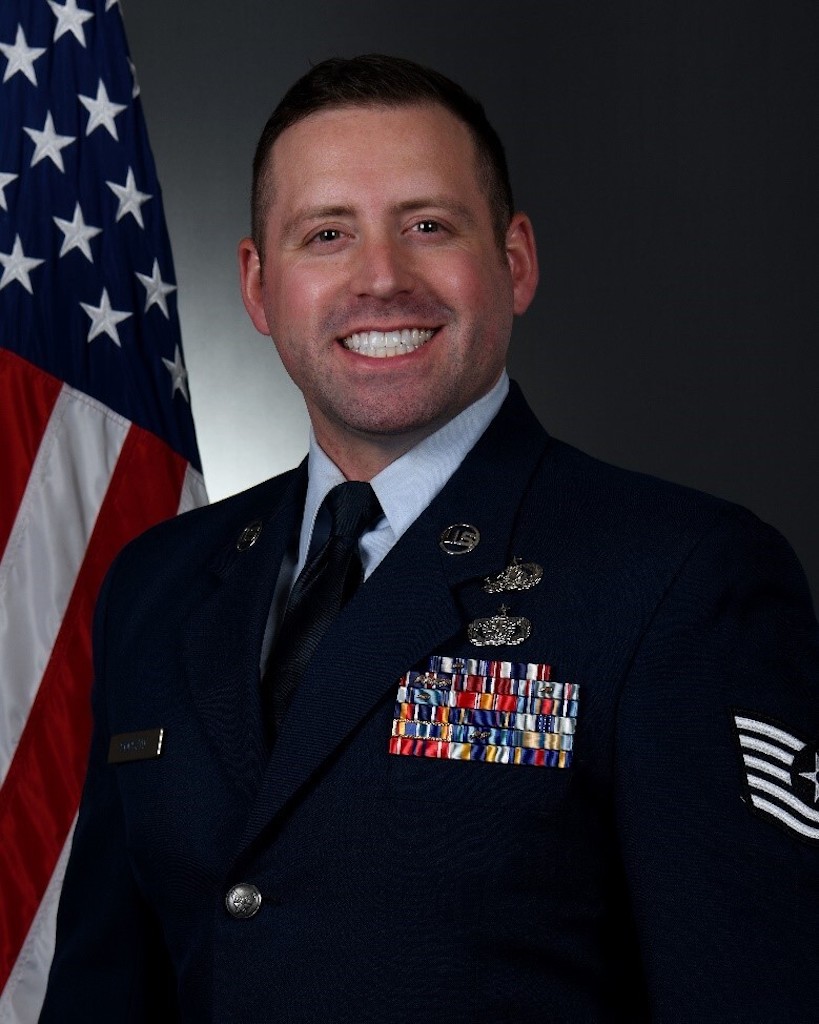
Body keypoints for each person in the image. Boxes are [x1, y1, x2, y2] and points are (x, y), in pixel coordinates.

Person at [41, 55, 819, 1022]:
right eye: (326, 234)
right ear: (257, 286)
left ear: (515, 261)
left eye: (427, 226)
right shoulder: (156, 585)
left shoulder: (682, 577)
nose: (380, 279)